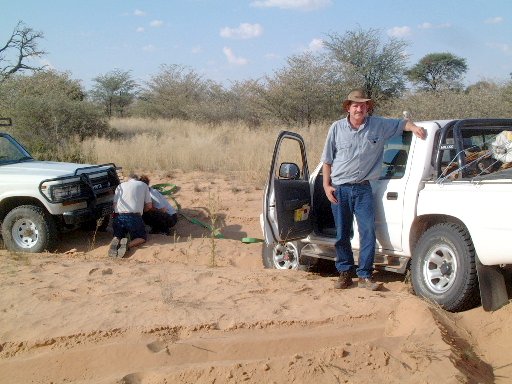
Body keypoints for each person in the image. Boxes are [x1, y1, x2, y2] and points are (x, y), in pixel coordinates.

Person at [321, 89, 426, 291]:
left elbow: (401, 124)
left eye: (363, 105)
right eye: (355, 105)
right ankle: (344, 274)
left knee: (368, 232)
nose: (359, 108)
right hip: (339, 189)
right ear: (348, 108)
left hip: (363, 189)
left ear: (368, 108)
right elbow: (327, 159)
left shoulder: (378, 125)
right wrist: (326, 185)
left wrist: (412, 126)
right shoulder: (336, 128)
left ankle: (365, 276)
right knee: (342, 233)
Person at [108, 174, 152, 258]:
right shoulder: (143, 185)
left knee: (118, 235)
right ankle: (127, 245)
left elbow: (114, 205)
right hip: (134, 217)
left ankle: (115, 240)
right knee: (141, 237)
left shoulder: (120, 186)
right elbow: (149, 206)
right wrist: (142, 211)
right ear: (138, 179)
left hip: (119, 217)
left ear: (128, 179)